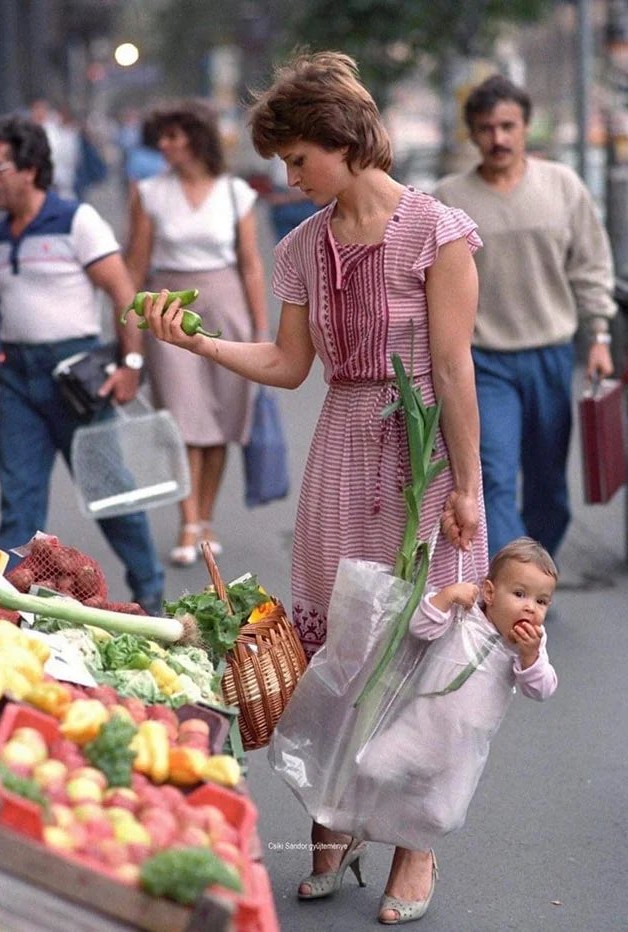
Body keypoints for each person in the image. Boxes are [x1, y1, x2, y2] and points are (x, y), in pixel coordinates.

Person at [141, 51, 489, 924]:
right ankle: (332, 818)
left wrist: (470, 485)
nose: (288, 177)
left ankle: (416, 848)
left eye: (298, 159)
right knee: (336, 647)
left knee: (421, 648)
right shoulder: (300, 246)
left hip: (424, 455)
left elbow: (453, 368)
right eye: (283, 163)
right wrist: (201, 346)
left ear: (343, 141)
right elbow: (290, 365)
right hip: (342, 451)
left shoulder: (438, 232)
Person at [434, 74, 617, 559]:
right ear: (472, 134)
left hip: (551, 355)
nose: (498, 138)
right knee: (492, 476)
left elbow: (592, 265)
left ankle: (534, 576)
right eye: (486, 128)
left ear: (526, 127)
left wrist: (599, 335)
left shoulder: (563, 186)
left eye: (508, 126)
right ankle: (510, 584)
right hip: (484, 361)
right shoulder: (449, 198)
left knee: (549, 485)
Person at [0, 114, 165, 615]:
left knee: (111, 493)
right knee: (17, 499)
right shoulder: (1, 235)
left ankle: (149, 591)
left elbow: (123, 293)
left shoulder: (75, 219)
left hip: (76, 378)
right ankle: (10, 610)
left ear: (29, 168)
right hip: (18, 381)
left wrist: (131, 363)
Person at [353, 536, 557, 918]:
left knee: (442, 815)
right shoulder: (464, 614)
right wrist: (445, 598)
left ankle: (418, 853)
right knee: (371, 767)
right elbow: (419, 627)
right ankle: (361, 833)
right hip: (417, 728)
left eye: (541, 601)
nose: (530, 607)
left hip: (461, 752)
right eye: (520, 593)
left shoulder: (527, 646)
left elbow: (542, 689)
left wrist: (530, 658)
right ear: (490, 593)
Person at [125, 98, 268, 564]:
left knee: (222, 420)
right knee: (184, 419)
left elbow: (250, 266)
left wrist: (260, 329)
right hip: (169, 308)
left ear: (195, 138)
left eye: (173, 136)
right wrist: (129, 327)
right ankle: (188, 524)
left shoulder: (234, 192)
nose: (164, 145)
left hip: (226, 303)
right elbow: (136, 265)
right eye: (161, 137)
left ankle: (205, 518)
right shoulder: (148, 192)